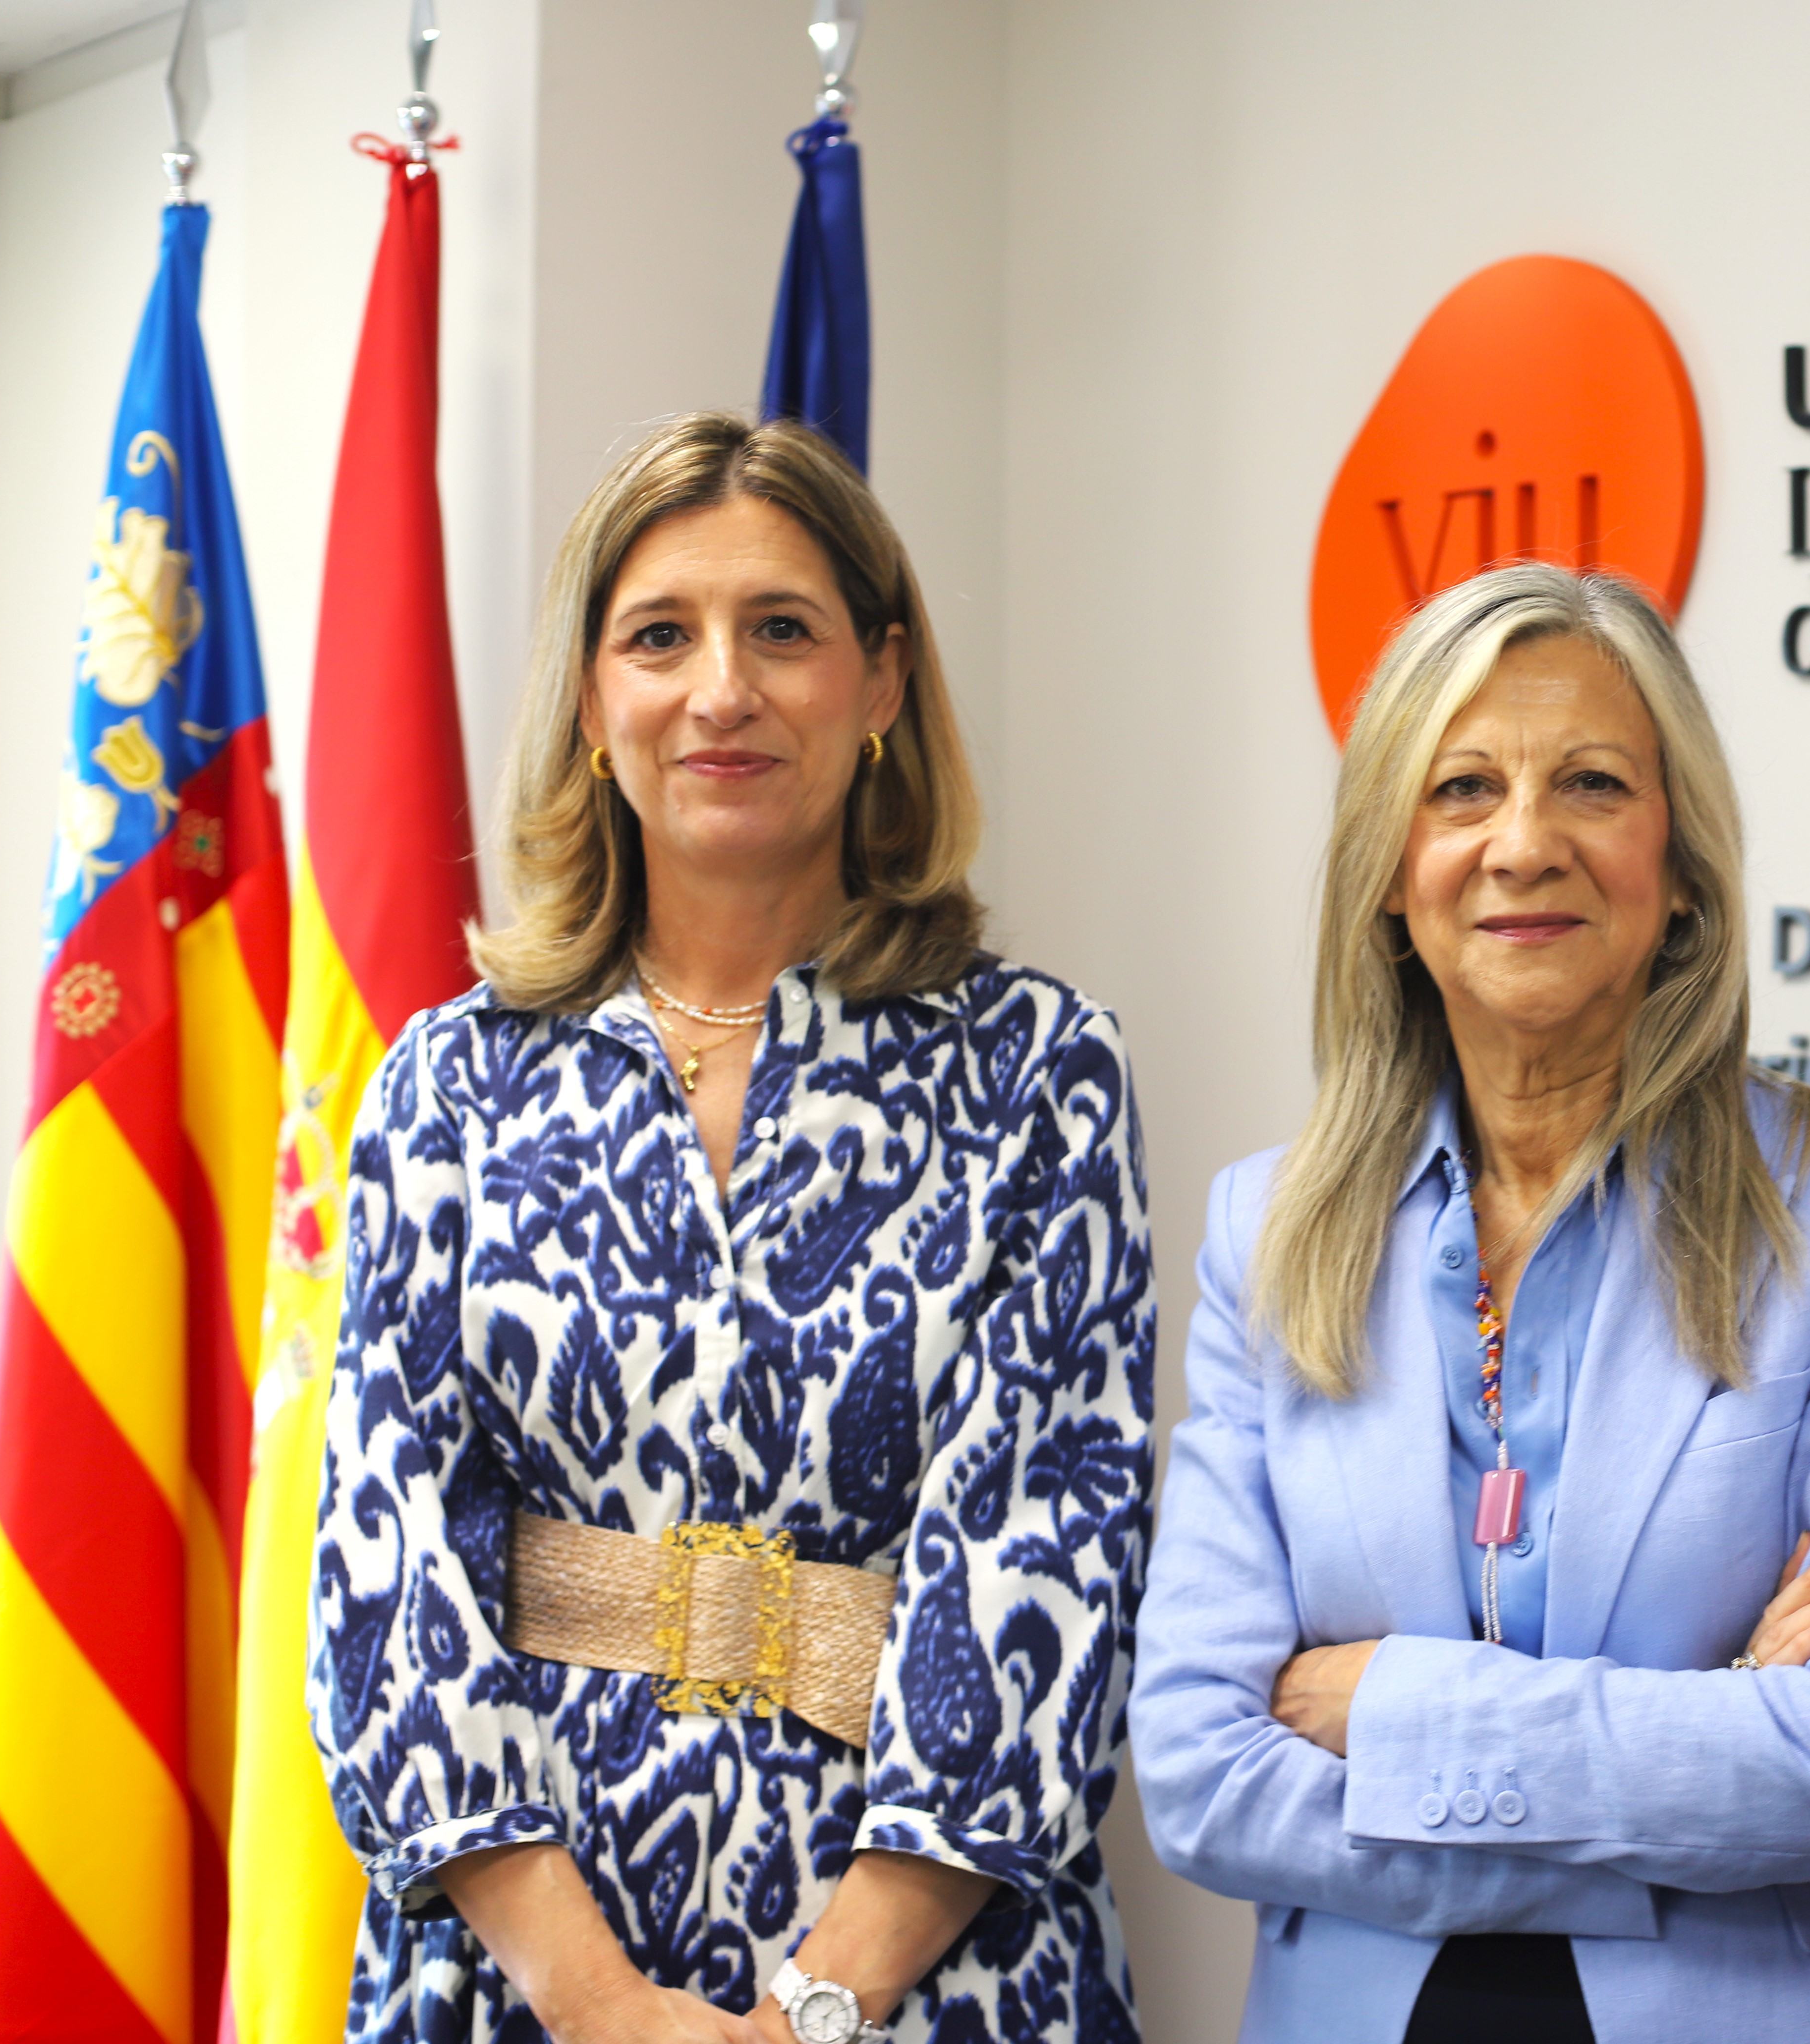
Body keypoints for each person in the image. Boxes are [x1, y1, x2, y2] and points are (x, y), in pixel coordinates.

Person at [309, 413, 1153, 2044]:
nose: (722, 690)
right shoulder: (446, 1083)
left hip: (932, 1973)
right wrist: (600, 2003)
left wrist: (817, 2007)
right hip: (512, 1978)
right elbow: (384, 1566)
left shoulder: (1043, 1073)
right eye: (659, 637)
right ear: (589, 700)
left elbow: (1044, 1562)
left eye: (784, 629)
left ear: (884, 682)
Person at [1131, 563, 1810, 2043]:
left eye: (1590, 783)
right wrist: (1696, 1745)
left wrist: (1388, 1712)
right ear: (1391, 876)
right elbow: (1202, 1776)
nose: (1524, 844)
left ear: (1681, 865)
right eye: (1462, 790)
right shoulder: (1267, 1231)